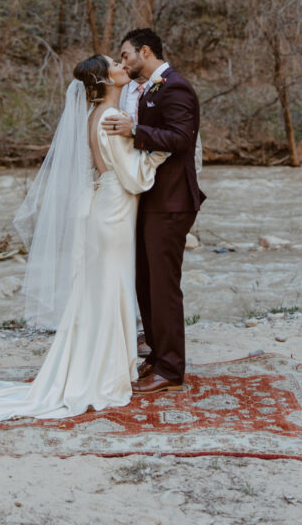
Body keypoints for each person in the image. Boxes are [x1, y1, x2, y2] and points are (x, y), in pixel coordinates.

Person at [0, 55, 168, 421]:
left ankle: (103, 364)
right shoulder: (111, 118)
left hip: (105, 204)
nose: (121, 65)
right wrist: (158, 152)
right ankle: (104, 371)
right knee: (112, 287)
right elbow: (132, 175)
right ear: (105, 79)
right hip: (114, 206)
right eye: (114, 64)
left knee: (104, 288)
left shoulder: (94, 115)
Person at [105, 28, 204, 395]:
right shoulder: (149, 88)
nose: (124, 61)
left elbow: (181, 139)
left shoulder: (176, 87)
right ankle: (158, 355)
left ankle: (172, 370)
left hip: (172, 201)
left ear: (145, 51)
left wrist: (135, 131)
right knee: (146, 283)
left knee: (163, 286)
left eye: (126, 54)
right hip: (151, 200)